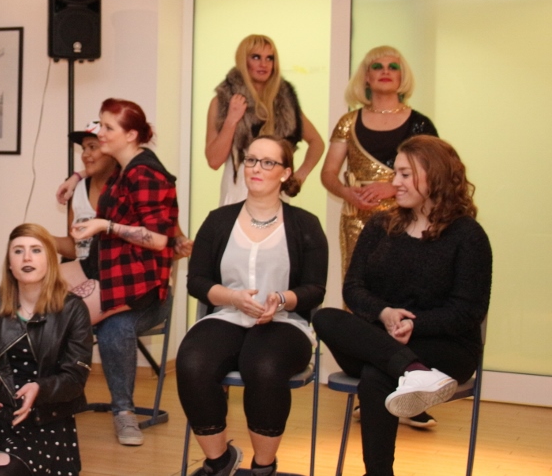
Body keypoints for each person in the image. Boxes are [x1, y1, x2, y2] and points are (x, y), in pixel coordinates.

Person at [313, 135, 491, 476]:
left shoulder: (468, 236)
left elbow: (467, 311)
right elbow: (353, 288)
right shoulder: (380, 225)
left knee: (377, 373)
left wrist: (414, 324)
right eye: (396, 173)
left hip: (445, 347)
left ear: (434, 175)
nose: (394, 182)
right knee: (325, 318)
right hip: (379, 339)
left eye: (405, 174)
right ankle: (413, 371)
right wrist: (385, 314)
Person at [177, 135, 327, 476]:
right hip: (227, 315)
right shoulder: (218, 220)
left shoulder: (305, 224)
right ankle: (219, 462)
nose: (256, 168)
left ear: (285, 173)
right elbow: (196, 282)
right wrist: (233, 298)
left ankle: (263, 467)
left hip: (285, 321)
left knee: (263, 365)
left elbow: (315, 289)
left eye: (268, 162)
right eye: (251, 160)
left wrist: (281, 299)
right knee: (192, 361)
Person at [69, 98, 177, 446]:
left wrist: (105, 225)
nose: (99, 133)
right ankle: (59, 396)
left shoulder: (145, 174)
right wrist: (75, 177)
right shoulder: (123, 169)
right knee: (53, 308)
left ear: (131, 135)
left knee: (104, 324)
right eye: (100, 125)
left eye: (107, 127)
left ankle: (124, 412)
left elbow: (158, 239)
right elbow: (94, 170)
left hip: (143, 290)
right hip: (112, 280)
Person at [0, 224, 92, 476]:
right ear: (9, 263)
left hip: (45, 417)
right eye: (18, 251)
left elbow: (75, 378)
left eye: (36, 250)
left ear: (50, 261)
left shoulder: (73, 310)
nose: (27, 257)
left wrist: (40, 388)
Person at [320, 46, 438, 278]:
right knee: (357, 284)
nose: (385, 71)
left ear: (402, 76)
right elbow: (328, 173)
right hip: (356, 221)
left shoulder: (421, 124)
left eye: (392, 67)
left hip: (408, 218)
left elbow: (435, 172)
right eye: (377, 67)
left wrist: (393, 188)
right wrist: (346, 193)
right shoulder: (348, 122)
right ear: (366, 77)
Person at [204, 34, 323, 206]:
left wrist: (299, 177)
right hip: (237, 192)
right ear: (243, 61)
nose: (263, 64)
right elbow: (214, 161)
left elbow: (317, 142)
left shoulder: (285, 103)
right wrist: (232, 119)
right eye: (256, 57)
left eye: (269, 58)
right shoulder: (222, 101)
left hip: (276, 195)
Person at [52, 120, 118, 322]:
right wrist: (42, 240)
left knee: (63, 315)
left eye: (92, 147)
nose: (85, 154)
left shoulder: (128, 188)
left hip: (111, 277)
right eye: (84, 148)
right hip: (81, 269)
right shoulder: (77, 188)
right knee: (31, 292)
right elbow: (75, 247)